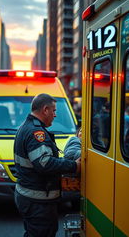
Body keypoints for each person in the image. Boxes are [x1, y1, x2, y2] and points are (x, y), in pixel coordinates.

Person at [14, 93, 81, 237]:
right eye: (54, 110)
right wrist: (74, 165)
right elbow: (45, 163)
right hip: (38, 202)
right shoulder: (35, 132)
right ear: (45, 110)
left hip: (30, 197)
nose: (55, 115)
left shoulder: (26, 126)